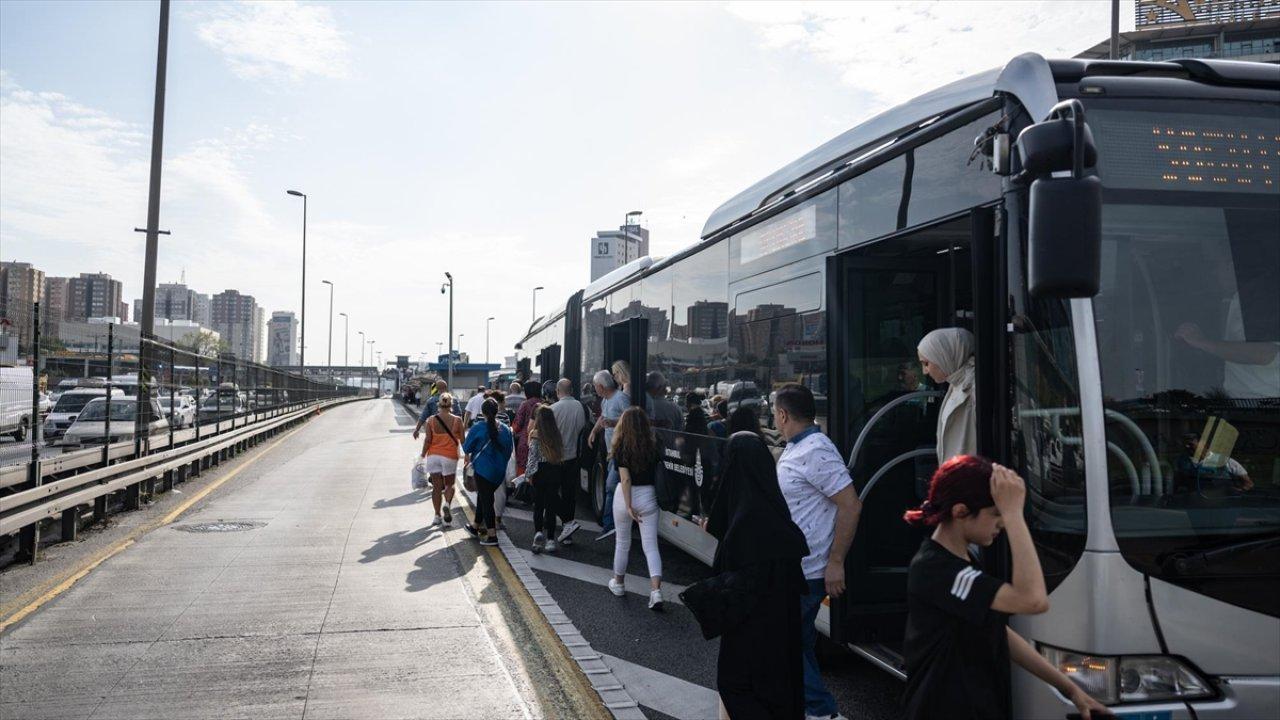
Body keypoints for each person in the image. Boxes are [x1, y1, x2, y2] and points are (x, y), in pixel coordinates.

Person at [901, 456, 1110, 720]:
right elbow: (1033, 601)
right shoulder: (937, 570)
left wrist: (1070, 689)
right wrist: (1013, 516)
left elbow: (998, 630)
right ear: (961, 511)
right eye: (996, 514)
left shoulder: (961, 560)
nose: (1001, 523)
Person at [772, 383, 861, 720]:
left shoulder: (816, 450)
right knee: (799, 641)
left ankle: (822, 711)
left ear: (782, 415)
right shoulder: (799, 448)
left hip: (808, 570)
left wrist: (835, 562)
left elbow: (851, 505)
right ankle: (809, 708)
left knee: (785, 643)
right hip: (797, 566)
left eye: (774, 413)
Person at [707, 431, 810, 720]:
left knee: (734, 686)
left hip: (746, 632)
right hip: (781, 631)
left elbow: (733, 589)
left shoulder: (742, 524)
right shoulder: (776, 514)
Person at [608, 406, 665, 610]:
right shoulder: (654, 445)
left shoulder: (621, 446)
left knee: (622, 543)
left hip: (625, 498)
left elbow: (625, 479)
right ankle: (656, 591)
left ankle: (619, 583)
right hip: (649, 496)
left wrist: (629, 505)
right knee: (651, 546)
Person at [917, 328, 977, 464]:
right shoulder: (956, 384)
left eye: (926, 363)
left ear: (944, 356)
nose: (925, 371)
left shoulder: (973, 388)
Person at [462, 398, 514, 546]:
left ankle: (492, 536)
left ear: (482, 412)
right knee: (484, 497)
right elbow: (509, 450)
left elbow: (467, 448)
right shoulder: (505, 429)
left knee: (487, 501)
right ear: (497, 411)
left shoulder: (478, 427)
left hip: (483, 470)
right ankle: (475, 526)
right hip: (499, 472)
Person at [588, 367, 630, 541]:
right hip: (610, 451)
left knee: (610, 487)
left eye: (595, 386)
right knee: (613, 487)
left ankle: (609, 525)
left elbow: (630, 419)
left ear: (601, 386)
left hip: (620, 451)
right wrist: (594, 431)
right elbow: (602, 417)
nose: (594, 389)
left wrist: (613, 422)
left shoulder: (621, 398)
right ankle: (614, 524)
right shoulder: (606, 400)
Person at [550, 378, 588, 545]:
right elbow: (582, 428)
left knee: (551, 493)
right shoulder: (580, 406)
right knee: (569, 494)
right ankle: (568, 531)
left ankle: (566, 522)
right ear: (571, 390)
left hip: (555, 458)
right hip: (573, 457)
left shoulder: (553, 409)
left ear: (558, 392)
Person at [527, 404, 566, 553]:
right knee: (550, 507)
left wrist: (529, 475)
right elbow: (561, 454)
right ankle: (550, 540)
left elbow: (532, 458)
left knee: (538, 506)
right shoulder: (556, 434)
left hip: (540, 472)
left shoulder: (535, 434)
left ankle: (537, 535)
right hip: (554, 471)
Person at [421, 392, 464, 527]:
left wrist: (423, 455)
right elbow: (463, 440)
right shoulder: (457, 420)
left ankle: (437, 516)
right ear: (451, 405)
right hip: (449, 456)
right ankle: (447, 506)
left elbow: (428, 440)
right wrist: (468, 455)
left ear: (438, 404)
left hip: (433, 456)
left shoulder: (431, 420)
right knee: (449, 484)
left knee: (436, 487)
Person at [513, 379, 542, 477]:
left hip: (526, 441)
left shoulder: (525, 404)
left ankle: (522, 489)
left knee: (523, 468)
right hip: (542, 440)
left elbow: (519, 423)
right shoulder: (544, 403)